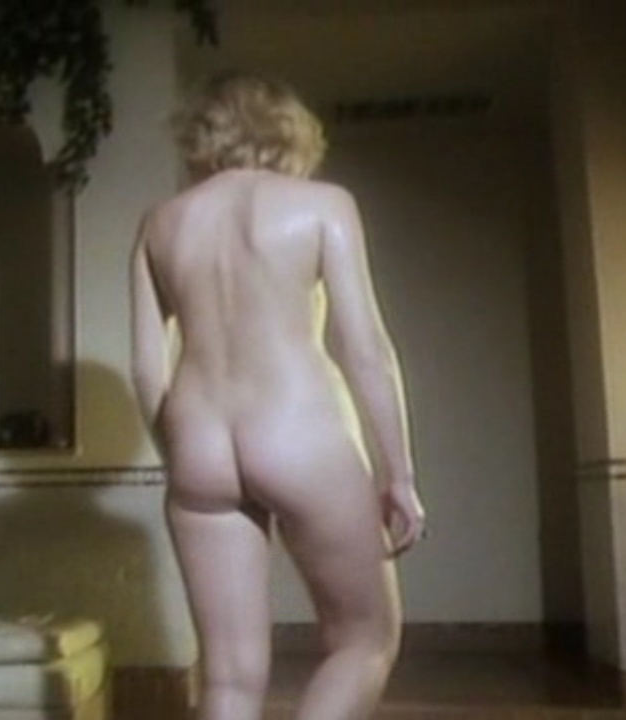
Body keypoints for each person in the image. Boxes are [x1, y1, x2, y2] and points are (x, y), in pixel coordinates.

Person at [130, 73, 427, 720]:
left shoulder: (160, 224)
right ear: (290, 134)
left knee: (229, 681)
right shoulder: (324, 206)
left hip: (200, 443)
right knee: (364, 641)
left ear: (202, 135)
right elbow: (365, 349)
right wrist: (399, 475)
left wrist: (179, 457)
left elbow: (148, 372)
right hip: (299, 433)